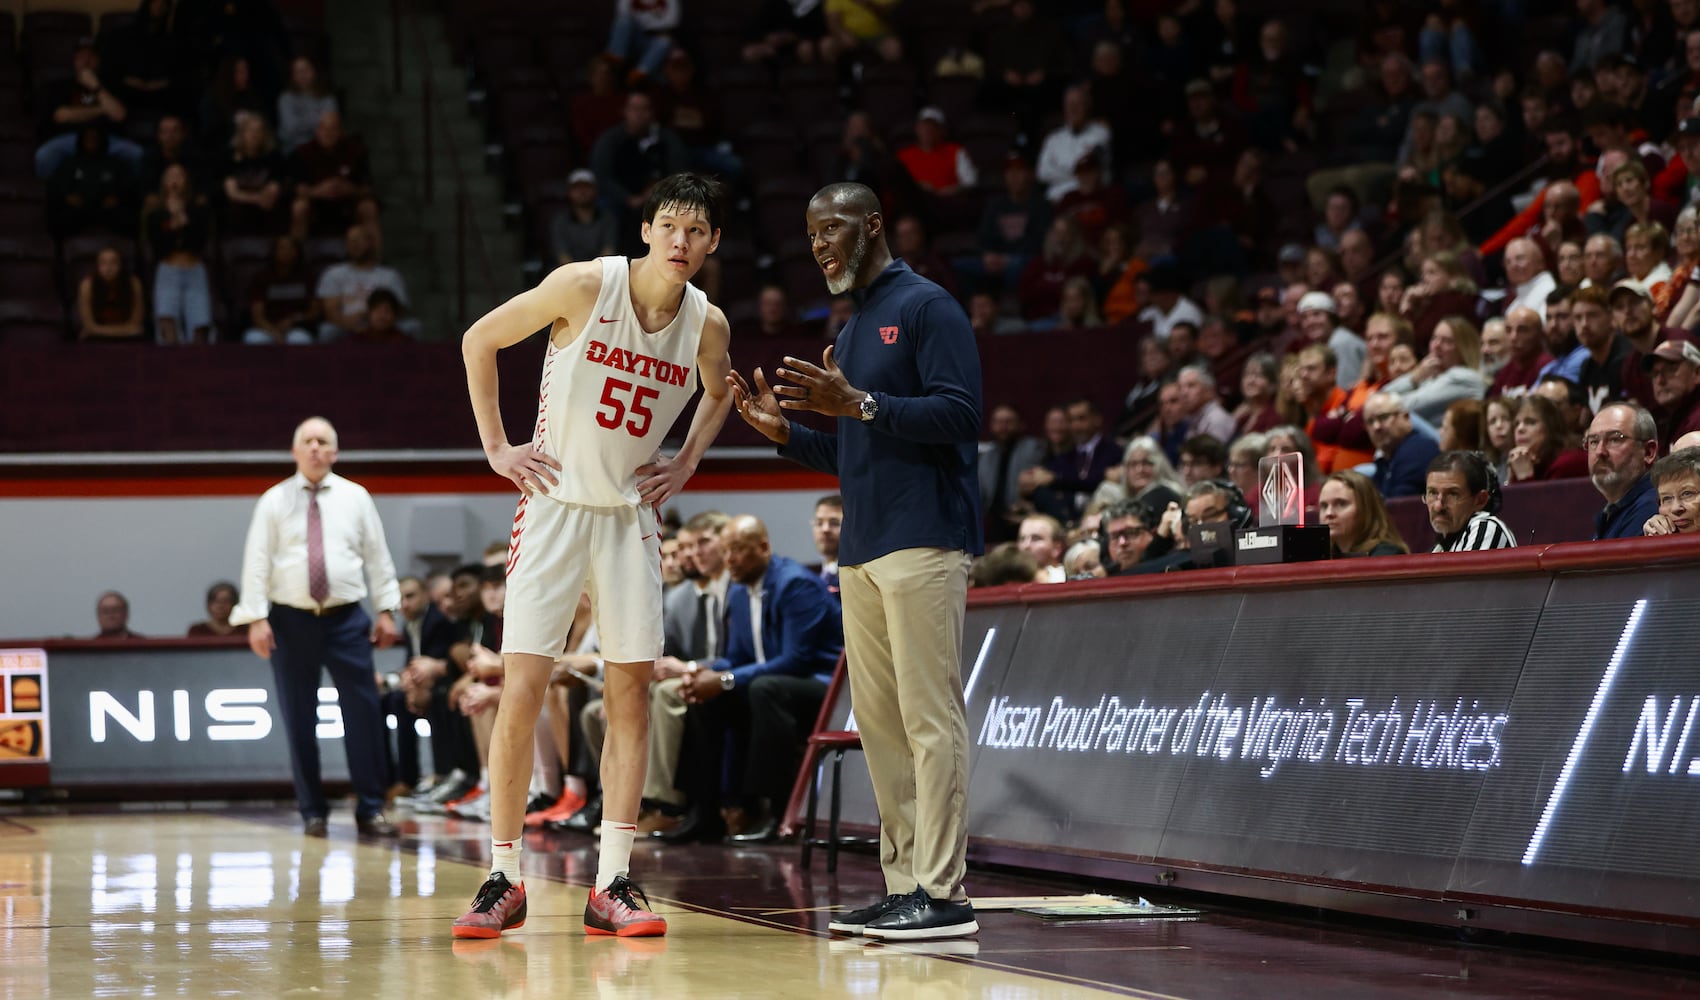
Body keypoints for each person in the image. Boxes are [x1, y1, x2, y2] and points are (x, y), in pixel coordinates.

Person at [453, 173, 735, 941]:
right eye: (671, 226)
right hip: (551, 507)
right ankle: (503, 877)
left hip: (629, 520)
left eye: (698, 231)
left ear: (713, 245)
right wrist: (497, 449)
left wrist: (686, 464)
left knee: (632, 694)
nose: (682, 241)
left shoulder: (708, 324)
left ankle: (613, 879)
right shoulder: (585, 284)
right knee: (522, 689)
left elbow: (722, 392)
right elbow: (480, 338)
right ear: (645, 230)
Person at [728, 181, 983, 941]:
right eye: (810, 235)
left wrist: (862, 405)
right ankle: (904, 883)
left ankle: (944, 893)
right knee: (880, 724)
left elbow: (961, 416)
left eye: (831, 228)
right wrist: (785, 434)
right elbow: (858, 452)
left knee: (929, 720)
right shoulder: (857, 322)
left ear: (872, 225)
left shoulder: (926, 306)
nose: (819, 245)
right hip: (866, 549)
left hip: (926, 539)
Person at [229, 417, 402, 839]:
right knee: (298, 717)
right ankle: (312, 811)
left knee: (362, 714)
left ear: (335, 451)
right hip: (291, 620)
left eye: (323, 441)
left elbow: (376, 555)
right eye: (307, 441)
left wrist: (386, 609)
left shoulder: (355, 497)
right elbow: (257, 560)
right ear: (295, 451)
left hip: (346, 617)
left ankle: (371, 806)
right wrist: (255, 617)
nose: (315, 448)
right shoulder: (274, 500)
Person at [1588, 402, 1661, 539]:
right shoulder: (1616, 509)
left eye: (1615, 439)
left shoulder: (1653, 508)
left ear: (1648, 452)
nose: (1600, 451)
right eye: (1593, 441)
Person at [1425, 450, 1517, 551]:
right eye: (1433, 493)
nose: (1438, 506)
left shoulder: (1485, 528)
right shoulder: (1440, 545)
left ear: (1480, 500)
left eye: (1452, 494)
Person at [1318, 471, 1410, 557]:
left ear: (1366, 508)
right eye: (1324, 506)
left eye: (1341, 504)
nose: (1329, 513)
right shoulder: (1323, 555)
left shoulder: (1387, 555)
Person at [75, 246, 146, 341]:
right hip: (100, 336)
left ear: (121, 265)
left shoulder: (133, 283)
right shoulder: (87, 285)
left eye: (114, 263)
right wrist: (125, 331)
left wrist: (98, 330)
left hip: (125, 335)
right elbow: (89, 326)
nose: (108, 268)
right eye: (103, 263)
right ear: (96, 266)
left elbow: (136, 324)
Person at [1643, 446, 1700, 535]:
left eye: (1687, 494)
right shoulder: (1659, 531)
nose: (1675, 508)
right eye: (1667, 498)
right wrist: (1656, 541)